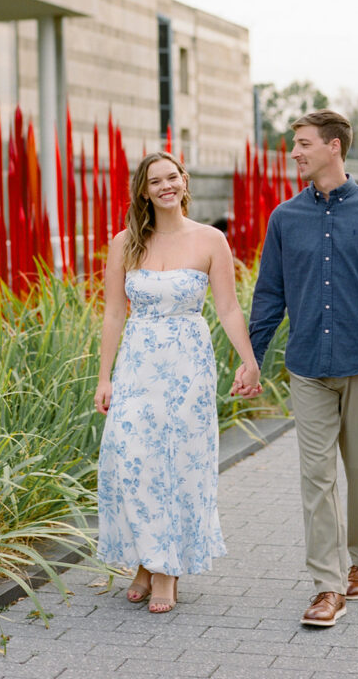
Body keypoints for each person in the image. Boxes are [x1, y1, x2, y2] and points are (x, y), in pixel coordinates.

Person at [236, 110, 358, 627]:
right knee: (315, 477)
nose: (294, 152)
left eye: (304, 143)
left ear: (334, 146)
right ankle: (327, 587)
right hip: (308, 366)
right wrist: (252, 358)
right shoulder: (284, 218)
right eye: (294, 144)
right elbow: (269, 295)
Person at [95, 151, 262, 614]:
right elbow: (112, 312)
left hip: (188, 363)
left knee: (176, 462)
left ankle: (166, 571)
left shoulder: (211, 240)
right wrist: (104, 376)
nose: (166, 186)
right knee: (129, 457)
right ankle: (147, 560)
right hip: (137, 364)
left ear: (184, 182)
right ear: (144, 191)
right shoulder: (124, 243)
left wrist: (249, 361)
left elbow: (228, 308)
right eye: (156, 181)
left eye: (172, 177)